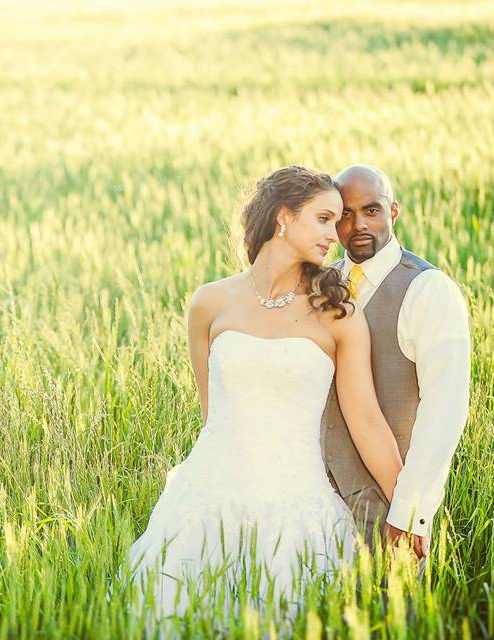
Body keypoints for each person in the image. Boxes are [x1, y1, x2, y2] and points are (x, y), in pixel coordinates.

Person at [119, 165, 405, 632]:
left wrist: (408, 511)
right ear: (283, 219)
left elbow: (367, 422)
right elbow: (212, 414)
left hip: (295, 509)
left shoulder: (337, 315)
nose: (337, 234)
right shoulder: (209, 303)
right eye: (324, 219)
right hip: (205, 504)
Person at [321, 164, 471, 566]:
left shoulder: (429, 290)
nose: (358, 226)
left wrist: (409, 513)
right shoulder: (320, 285)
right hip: (317, 503)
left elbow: (445, 410)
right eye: (345, 215)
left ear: (394, 212)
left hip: (390, 509)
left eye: (371, 211)